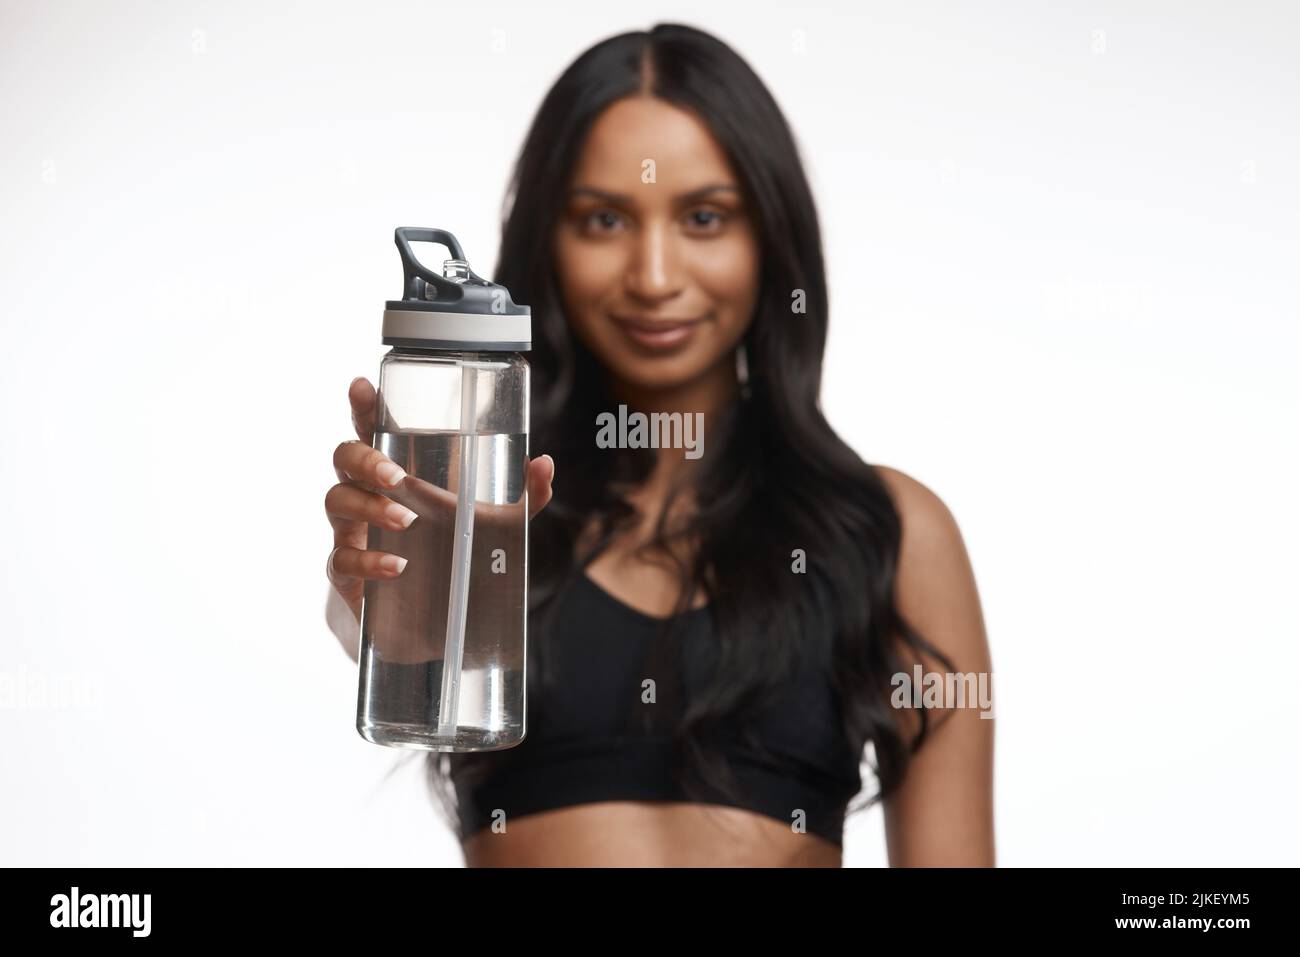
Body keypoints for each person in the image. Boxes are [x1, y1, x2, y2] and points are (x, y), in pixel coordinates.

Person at [325, 22, 994, 867]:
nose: (652, 274)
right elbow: (380, 637)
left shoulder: (890, 531)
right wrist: (375, 586)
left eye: (704, 217)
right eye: (604, 218)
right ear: (548, 241)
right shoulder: (483, 503)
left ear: (770, 237)